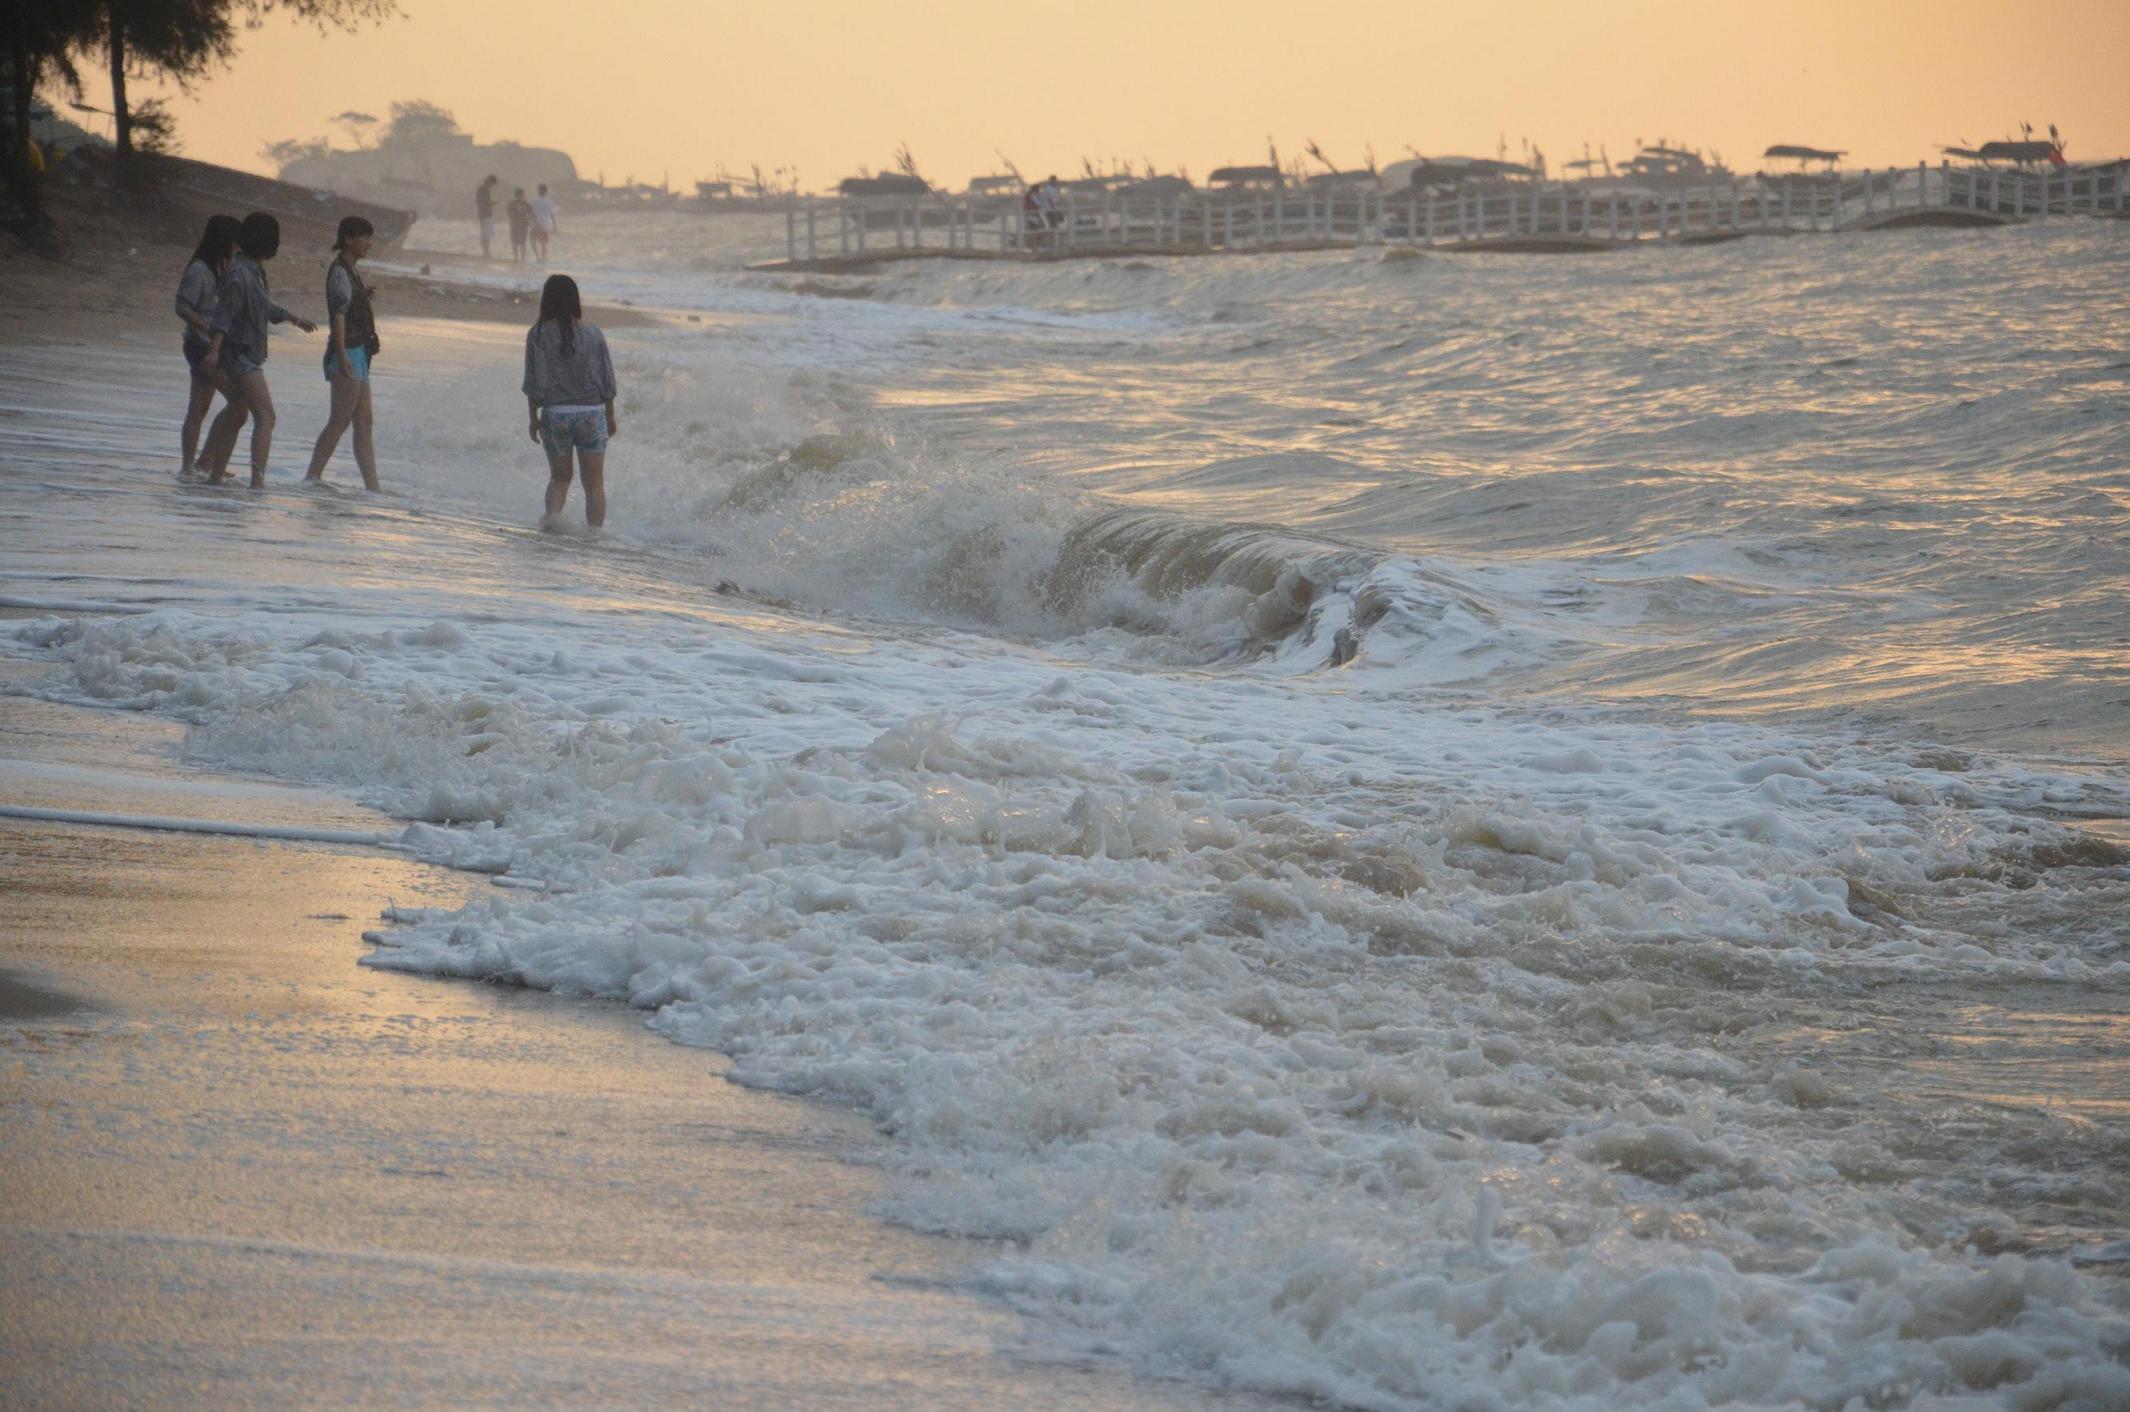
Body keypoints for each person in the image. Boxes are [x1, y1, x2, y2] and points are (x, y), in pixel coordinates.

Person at [199, 213, 317, 489]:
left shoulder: (251, 270)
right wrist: (214, 350)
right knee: (266, 415)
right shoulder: (241, 274)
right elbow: (224, 316)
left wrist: (293, 318)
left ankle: (216, 475)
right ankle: (257, 480)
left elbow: (263, 306)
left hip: (243, 352)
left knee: (238, 410)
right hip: (239, 354)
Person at [522, 274, 617, 531]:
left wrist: (533, 418)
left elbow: (533, 381)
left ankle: (552, 521)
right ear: (575, 300)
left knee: (560, 478)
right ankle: (594, 535)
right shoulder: (593, 334)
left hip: (555, 414)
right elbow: (606, 378)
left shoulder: (538, 334)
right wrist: (609, 414)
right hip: (590, 414)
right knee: (594, 484)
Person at [302, 216, 383, 492]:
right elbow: (338, 316)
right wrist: (341, 355)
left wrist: (363, 296)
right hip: (346, 353)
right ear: (349, 239)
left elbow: (347, 307)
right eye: (365, 238)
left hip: (359, 352)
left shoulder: (351, 271)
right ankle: (312, 476)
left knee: (363, 421)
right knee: (340, 420)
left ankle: (373, 487)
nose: (369, 244)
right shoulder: (340, 271)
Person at [174, 213, 247, 481]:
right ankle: (190, 465)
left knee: (205, 406)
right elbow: (182, 307)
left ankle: (202, 462)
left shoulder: (223, 267)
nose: (239, 247)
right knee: (204, 407)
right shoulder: (199, 271)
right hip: (200, 347)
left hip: (215, 346)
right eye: (236, 241)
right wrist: (209, 328)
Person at [528, 183, 558, 263]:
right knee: (543, 244)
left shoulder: (532, 201)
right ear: (546, 191)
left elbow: (530, 213)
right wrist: (555, 226)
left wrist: (529, 222)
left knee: (532, 241)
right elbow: (552, 215)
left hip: (534, 225)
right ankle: (542, 258)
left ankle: (537, 256)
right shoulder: (549, 202)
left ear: (538, 191)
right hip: (544, 225)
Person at [475, 174, 499, 259]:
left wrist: (490, 204)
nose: (492, 186)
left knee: (486, 234)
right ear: (489, 181)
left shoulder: (485, 189)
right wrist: (491, 204)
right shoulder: (483, 189)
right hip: (484, 214)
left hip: (486, 214)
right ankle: (485, 253)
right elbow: (481, 203)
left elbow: (481, 202)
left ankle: (486, 252)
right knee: (485, 234)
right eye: (492, 184)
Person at [506, 187, 532, 264]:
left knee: (519, 242)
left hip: (518, 225)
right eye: (522, 195)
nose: (523, 196)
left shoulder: (511, 204)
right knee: (518, 242)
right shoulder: (525, 204)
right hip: (518, 225)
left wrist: (530, 222)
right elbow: (529, 214)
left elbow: (529, 214)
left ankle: (519, 259)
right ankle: (518, 259)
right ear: (520, 195)